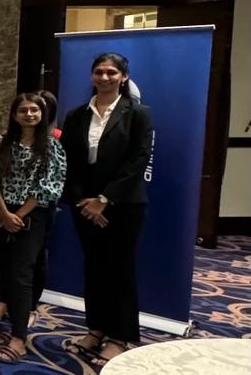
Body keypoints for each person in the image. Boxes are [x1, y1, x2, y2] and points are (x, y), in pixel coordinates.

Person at [59, 53, 153, 365]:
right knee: (94, 268)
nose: (104, 77)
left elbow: (138, 160)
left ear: (123, 77)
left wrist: (104, 199)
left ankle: (119, 337)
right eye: (99, 71)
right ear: (92, 76)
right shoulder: (76, 115)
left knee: (119, 270)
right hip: (85, 205)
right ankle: (96, 329)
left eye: (111, 72)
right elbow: (69, 162)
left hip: (123, 205)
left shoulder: (138, 114)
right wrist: (83, 201)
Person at [0, 93, 67, 362]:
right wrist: (4, 213)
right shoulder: (1, 142)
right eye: (23, 110)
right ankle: (6, 305)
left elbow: (49, 186)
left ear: (42, 114)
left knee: (22, 273)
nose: (29, 114)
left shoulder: (52, 146)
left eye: (34, 110)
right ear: (14, 114)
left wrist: (17, 215)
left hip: (33, 215)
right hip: (1, 212)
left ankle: (18, 339)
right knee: (5, 265)